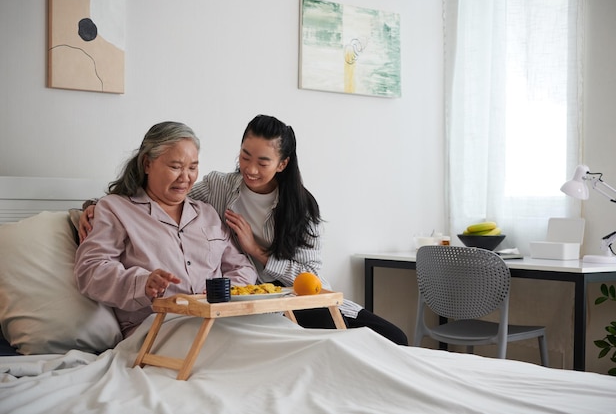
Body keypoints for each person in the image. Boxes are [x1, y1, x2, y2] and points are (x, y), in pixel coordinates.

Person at [81, 115, 408, 345]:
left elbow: (309, 279)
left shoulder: (298, 208)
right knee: (307, 351)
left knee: (385, 339)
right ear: (147, 162)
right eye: (244, 156)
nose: (250, 169)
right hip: (184, 323)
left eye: (192, 167)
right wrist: (93, 207)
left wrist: (255, 254)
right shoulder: (215, 190)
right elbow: (137, 213)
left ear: (282, 164)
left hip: (280, 303)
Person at [74, 121, 257, 338]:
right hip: (159, 330)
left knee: (290, 339)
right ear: (147, 164)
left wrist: (226, 293)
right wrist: (143, 283)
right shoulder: (115, 209)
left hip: (220, 322)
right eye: (175, 167)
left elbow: (242, 268)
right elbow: (90, 270)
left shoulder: (207, 213)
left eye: (192, 167)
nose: (185, 177)